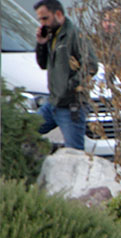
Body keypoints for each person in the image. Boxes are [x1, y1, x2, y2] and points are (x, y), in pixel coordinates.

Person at [33, 0, 98, 151]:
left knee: (74, 153)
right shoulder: (53, 36)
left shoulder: (74, 34)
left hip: (71, 106)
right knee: (24, 130)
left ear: (58, 14)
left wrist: (68, 88)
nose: (43, 23)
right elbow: (43, 65)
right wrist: (41, 44)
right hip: (53, 103)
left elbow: (91, 65)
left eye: (45, 18)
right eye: (40, 20)